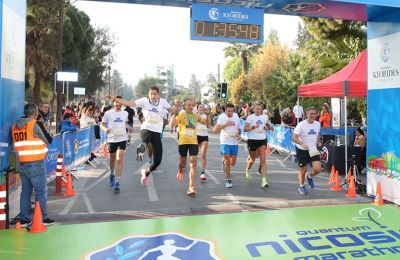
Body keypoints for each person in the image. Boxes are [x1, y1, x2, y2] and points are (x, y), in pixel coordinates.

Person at [110, 85, 177, 186]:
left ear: (158, 95)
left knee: (158, 161)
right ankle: (141, 150)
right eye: (151, 94)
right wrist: (116, 99)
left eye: (155, 94)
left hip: (157, 132)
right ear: (148, 94)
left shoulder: (162, 102)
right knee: (146, 139)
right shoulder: (144, 101)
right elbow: (129, 103)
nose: (153, 96)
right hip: (146, 128)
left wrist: (177, 109)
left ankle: (146, 172)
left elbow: (173, 110)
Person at [11, 103, 55, 226]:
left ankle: (24, 219)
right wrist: (47, 130)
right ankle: (42, 218)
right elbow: (48, 140)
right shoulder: (35, 124)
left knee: (26, 191)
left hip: (22, 163)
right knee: (41, 191)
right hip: (36, 163)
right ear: (35, 113)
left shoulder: (15, 126)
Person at [171, 99, 207, 196]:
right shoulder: (181, 115)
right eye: (188, 105)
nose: (190, 107)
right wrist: (175, 113)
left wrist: (209, 120)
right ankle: (180, 169)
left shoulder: (196, 116)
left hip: (193, 142)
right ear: (185, 106)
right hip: (183, 142)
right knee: (183, 163)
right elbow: (172, 125)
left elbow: (205, 121)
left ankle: (191, 187)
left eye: (192, 105)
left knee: (193, 161)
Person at [100, 96, 130, 192]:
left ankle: (117, 181)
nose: (117, 104)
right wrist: (105, 129)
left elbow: (125, 123)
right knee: (112, 158)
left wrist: (128, 126)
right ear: (113, 103)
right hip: (112, 139)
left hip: (122, 138)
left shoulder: (125, 113)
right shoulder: (108, 113)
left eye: (119, 102)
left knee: (119, 159)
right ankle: (112, 173)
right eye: (116, 102)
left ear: (121, 103)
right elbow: (102, 124)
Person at [291, 107, 323, 195]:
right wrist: (302, 143)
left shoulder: (317, 124)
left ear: (316, 114)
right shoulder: (301, 125)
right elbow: (293, 137)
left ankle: (309, 176)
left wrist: (318, 141)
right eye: (310, 113)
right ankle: (301, 186)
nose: (312, 115)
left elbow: (317, 134)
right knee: (303, 169)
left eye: (314, 114)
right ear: (306, 114)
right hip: (302, 149)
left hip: (313, 149)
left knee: (318, 169)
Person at [244, 102, 274, 188]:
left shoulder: (265, 117)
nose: (258, 110)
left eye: (260, 109)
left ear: (262, 110)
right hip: (252, 140)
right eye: (257, 109)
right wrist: (253, 127)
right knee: (252, 159)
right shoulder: (250, 117)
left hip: (262, 140)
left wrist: (269, 128)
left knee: (263, 160)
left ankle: (264, 181)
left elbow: (268, 126)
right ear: (253, 109)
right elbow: (245, 129)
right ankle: (248, 169)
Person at [214, 103, 241, 188]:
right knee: (228, 162)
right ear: (225, 110)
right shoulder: (221, 117)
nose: (230, 113)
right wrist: (225, 124)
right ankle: (228, 180)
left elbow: (239, 129)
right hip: (224, 141)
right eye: (228, 111)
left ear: (234, 111)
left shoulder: (236, 118)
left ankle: (225, 163)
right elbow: (216, 130)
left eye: (231, 111)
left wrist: (239, 134)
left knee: (233, 163)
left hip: (234, 142)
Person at [196, 103, 212, 181]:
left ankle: (202, 172)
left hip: (204, 136)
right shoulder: (194, 115)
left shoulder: (206, 116)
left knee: (203, 155)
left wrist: (208, 114)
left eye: (202, 107)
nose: (201, 108)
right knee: (194, 155)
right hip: (195, 136)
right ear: (197, 108)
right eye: (199, 107)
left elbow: (209, 124)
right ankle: (193, 167)